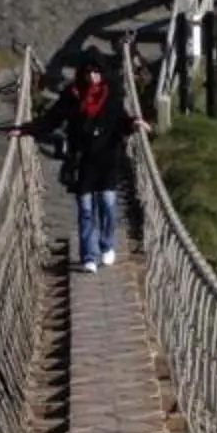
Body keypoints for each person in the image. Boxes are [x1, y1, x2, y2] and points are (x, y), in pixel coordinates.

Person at [18, 55, 139, 272]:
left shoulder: (112, 96)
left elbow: (121, 120)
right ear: (82, 74)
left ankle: (107, 245)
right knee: (85, 209)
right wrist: (24, 130)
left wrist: (134, 123)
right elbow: (51, 119)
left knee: (107, 204)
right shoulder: (72, 96)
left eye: (97, 72)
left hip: (108, 158)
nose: (93, 77)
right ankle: (88, 256)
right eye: (88, 73)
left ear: (102, 74)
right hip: (82, 160)